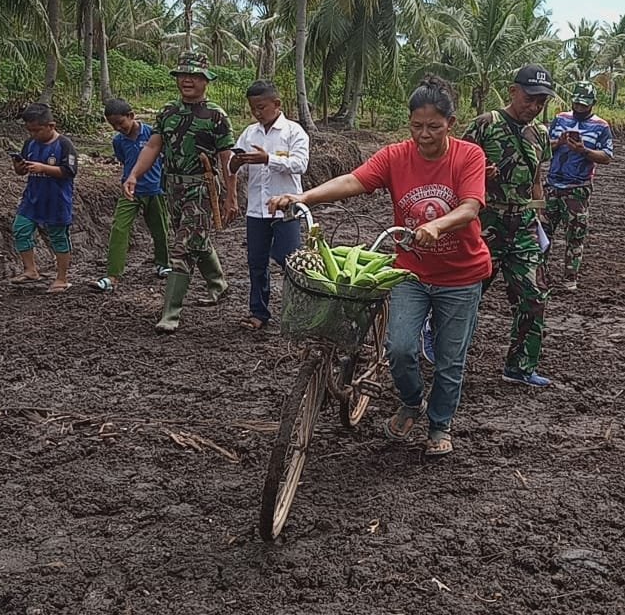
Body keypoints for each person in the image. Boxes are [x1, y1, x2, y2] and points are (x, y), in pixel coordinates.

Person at [267, 75, 489, 457]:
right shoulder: (396, 156)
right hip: (410, 272)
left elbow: (470, 206)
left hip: (461, 275)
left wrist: (436, 224)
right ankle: (411, 402)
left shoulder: (468, 156)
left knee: (450, 360)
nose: (424, 135)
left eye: (433, 127)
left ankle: (439, 426)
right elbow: (354, 180)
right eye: (417, 126)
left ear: (450, 124)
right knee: (400, 348)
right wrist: (303, 196)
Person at [125, 53, 239, 333]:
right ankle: (218, 285)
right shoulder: (167, 112)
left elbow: (228, 158)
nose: (188, 80)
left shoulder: (216, 116)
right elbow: (153, 147)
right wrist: (134, 175)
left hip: (201, 187)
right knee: (194, 239)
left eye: (195, 76)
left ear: (205, 81)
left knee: (182, 249)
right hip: (172, 187)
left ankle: (170, 314)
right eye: (182, 75)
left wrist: (231, 196)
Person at [460, 64, 554, 387]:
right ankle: (447, 353)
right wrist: (479, 177)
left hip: (523, 222)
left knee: (534, 296)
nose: (534, 107)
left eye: (541, 102)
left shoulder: (541, 134)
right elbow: (455, 170)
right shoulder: (485, 125)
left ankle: (520, 367)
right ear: (513, 91)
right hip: (486, 222)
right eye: (530, 99)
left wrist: (540, 219)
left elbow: (537, 178)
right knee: (469, 294)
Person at [229, 80, 310, 331]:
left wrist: (269, 159)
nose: (257, 112)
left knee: (291, 261)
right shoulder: (250, 133)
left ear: (277, 104)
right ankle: (258, 312)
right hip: (256, 209)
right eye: (253, 108)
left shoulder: (293, 132)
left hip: (286, 208)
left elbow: (300, 164)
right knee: (256, 261)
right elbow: (233, 165)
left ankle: (295, 313)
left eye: (261, 107)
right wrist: (236, 162)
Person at [93, 98, 171, 292]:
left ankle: (163, 263)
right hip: (130, 191)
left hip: (155, 189)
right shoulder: (118, 141)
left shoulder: (153, 134)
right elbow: (123, 160)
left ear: (131, 116)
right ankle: (112, 275)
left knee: (160, 228)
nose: (118, 128)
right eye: (113, 125)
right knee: (119, 229)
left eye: (121, 123)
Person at [544, 81, 613, 291]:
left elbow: (606, 156)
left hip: (578, 187)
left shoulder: (601, 126)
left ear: (593, 104)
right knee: (543, 232)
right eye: (577, 103)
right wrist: (560, 143)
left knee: (575, 235)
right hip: (553, 185)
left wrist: (584, 151)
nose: (580, 108)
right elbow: (543, 147)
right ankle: (541, 276)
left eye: (584, 105)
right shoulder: (560, 119)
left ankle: (570, 277)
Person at [8, 103, 78, 293]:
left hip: (57, 200)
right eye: (29, 130)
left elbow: (69, 171)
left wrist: (43, 168)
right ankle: (30, 270)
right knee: (20, 229)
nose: (33, 135)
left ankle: (62, 278)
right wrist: (20, 167)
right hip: (32, 198)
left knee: (58, 237)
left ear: (51, 126)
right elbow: (20, 171)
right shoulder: (29, 144)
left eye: (37, 130)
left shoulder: (64, 144)